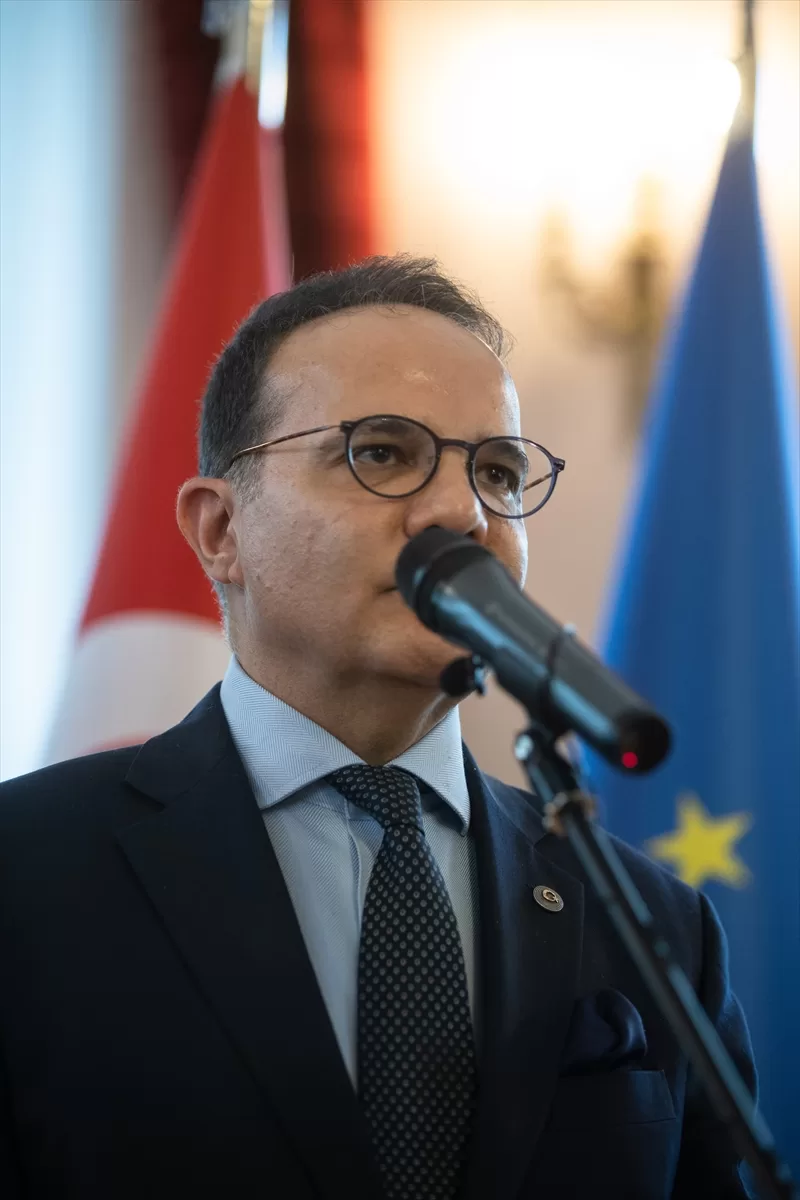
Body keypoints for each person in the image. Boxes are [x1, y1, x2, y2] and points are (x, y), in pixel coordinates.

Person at [0, 256, 756, 1199]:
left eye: (497, 471)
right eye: (384, 453)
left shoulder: (658, 925)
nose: (463, 513)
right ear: (220, 530)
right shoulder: (24, 875)